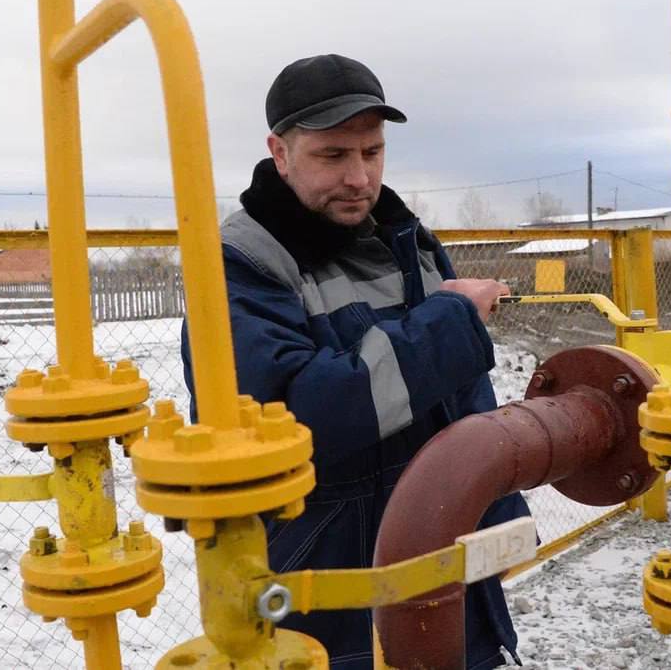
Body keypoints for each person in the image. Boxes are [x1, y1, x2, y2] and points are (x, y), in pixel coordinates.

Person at [182, 54, 530, 668]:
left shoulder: (408, 240)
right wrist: (448, 324)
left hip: (450, 578)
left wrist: (496, 515)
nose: (359, 177)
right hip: (328, 596)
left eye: (372, 152)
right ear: (280, 152)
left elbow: (463, 407)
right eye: (333, 155)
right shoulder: (241, 265)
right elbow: (292, 416)